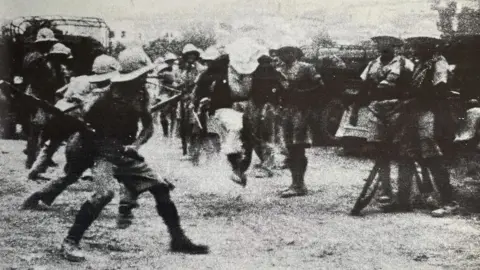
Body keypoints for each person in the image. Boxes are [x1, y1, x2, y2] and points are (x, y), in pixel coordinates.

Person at [57, 47, 208, 261]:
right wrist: (96, 152)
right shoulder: (104, 98)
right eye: (143, 74)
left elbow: (147, 127)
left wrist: (135, 146)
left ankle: (178, 239)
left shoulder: (141, 94)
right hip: (101, 153)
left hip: (124, 152)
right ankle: (70, 241)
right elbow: (83, 128)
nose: (146, 78)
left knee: (161, 187)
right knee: (104, 194)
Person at [393, 37, 459, 216]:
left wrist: (417, 98)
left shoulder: (439, 63)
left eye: (420, 45)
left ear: (430, 45)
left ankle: (448, 201)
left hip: (430, 112)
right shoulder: (421, 64)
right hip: (415, 112)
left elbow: (441, 90)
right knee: (405, 152)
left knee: (430, 154)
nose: (415, 48)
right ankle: (403, 200)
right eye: (415, 44)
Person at [358, 36, 414, 205]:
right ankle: (385, 189)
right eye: (380, 44)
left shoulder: (405, 64)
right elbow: (364, 87)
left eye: (388, 44)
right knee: (380, 149)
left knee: (402, 150)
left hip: (397, 107)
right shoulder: (372, 64)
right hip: (377, 108)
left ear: (394, 46)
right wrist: (355, 109)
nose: (384, 47)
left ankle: (405, 193)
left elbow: (412, 86)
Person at [275, 44, 325, 198]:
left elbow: (321, 87)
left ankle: (299, 184)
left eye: (289, 52)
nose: (286, 56)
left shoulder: (306, 68)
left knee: (299, 147)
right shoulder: (279, 70)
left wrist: (303, 94)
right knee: (290, 147)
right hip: (286, 110)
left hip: (301, 110)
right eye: (282, 53)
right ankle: (294, 183)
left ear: (295, 53)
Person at [27, 43, 75, 179]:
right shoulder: (44, 66)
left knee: (47, 129)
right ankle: (31, 159)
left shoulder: (58, 68)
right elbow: (39, 85)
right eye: (58, 56)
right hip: (38, 98)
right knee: (36, 128)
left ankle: (43, 158)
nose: (60, 59)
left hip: (48, 99)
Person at [23, 28, 62, 169]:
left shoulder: (32, 56)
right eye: (48, 42)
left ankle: (38, 156)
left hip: (35, 93)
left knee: (40, 127)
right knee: (38, 127)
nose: (49, 45)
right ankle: (33, 159)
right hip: (38, 94)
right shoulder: (38, 59)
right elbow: (42, 80)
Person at [177, 44, 206, 158]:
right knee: (184, 126)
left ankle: (194, 152)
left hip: (195, 100)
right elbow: (182, 83)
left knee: (194, 126)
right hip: (184, 99)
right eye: (188, 55)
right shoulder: (185, 69)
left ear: (196, 55)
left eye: (192, 54)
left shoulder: (200, 69)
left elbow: (198, 85)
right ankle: (185, 151)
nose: (190, 57)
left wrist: (192, 97)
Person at [157, 52, 180, 137]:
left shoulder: (176, 71)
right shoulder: (163, 71)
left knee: (174, 114)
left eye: (172, 61)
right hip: (164, 93)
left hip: (174, 94)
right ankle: (165, 134)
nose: (170, 63)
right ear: (166, 62)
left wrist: (175, 84)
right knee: (163, 114)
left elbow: (178, 81)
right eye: (169, 61)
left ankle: (172, 134)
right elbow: (160, 81)